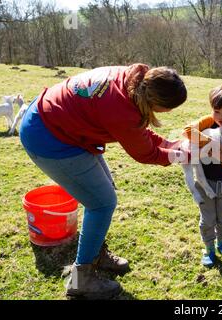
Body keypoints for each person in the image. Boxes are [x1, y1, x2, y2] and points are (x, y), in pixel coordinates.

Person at [19, 64, 188, 299]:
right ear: (157, 103)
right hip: (48, 136)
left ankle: (95, 253)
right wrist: (180, 155)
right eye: (169, 108)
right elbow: (145, 152)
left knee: (103, 193)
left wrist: (170, 144)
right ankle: (81, 280)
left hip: (60, 121)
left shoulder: (133, 80)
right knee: (102, 203)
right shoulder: (123, 110)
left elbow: (141, 131)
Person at [182, 84, 222, 267]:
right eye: (216, 111)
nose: (221, 118)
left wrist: (214, 151)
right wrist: (211, 144)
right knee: (207, 218)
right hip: (204, 182)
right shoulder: (207, 121)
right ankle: (209, 248)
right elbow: (188, 131)